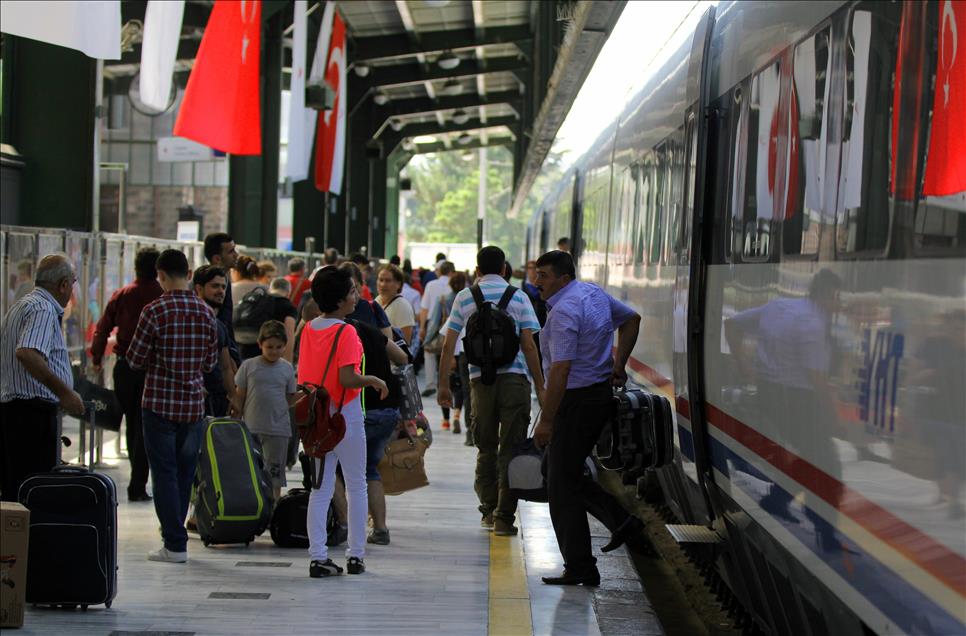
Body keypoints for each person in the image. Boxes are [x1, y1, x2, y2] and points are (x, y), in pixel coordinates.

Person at [532, 250, 642, 586]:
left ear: (563, 279)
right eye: (537, 274)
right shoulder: (591, 292)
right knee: (555, 471)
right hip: (595, 395)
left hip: (576, 402)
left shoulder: (564, 311)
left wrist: (547, 420)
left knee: (560, 485)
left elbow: (561, 370)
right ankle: (621, 521)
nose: (537, 282)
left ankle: (581, 566)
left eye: (545, 276)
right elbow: (632, 319)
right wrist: (618, 364)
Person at [438, 247, 544, 536]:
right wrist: (541, 385)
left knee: (485, 447)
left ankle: (486, 510)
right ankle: (503, 518)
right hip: (515, 380)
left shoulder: (464, 297)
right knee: (511, 448)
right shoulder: (519, 297)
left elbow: (448, 345)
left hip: (479, 381)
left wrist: (443, 386)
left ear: (477, 270)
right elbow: (529, 345)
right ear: (506, 268)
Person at [127, 249, 219, 564]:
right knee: (183, 472)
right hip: (193, 405)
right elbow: (209, 363)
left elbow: (135, 359)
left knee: (163, 473)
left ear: (161, 275)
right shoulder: (207, 312)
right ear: (189, 272)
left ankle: (174, 543)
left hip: (159, 403)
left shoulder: (153, 311)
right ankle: (175, 537)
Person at [298, 267, 388, 578]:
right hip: (345, 416)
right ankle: (356, 555)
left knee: (320, 488)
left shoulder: (309, 328)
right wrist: (373, 379)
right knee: (356, 485)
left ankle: (318, 556)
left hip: (317, 416)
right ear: (339, 300)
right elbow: (347, 378)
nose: (357, 296)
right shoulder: (346, 331)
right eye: (352, 292)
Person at [0, 255, 85, 501]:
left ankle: (16, 538)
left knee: (16, 489)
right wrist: (65, 393)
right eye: (73, 282)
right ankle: (29, 539)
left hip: (17, 412)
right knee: (33, 491)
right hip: (31, 415)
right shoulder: (42, 309)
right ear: (62, 285)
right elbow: (27, 353)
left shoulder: (23, 304)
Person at [90, 247, 163, 502]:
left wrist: (97, 359)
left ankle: (137, 480)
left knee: (133, 423)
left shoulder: (123, 294)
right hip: (154, 369)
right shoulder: (162, 296)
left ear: (135, 267)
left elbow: (102, 329)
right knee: (148, 425)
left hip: (125, 368)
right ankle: (140, 483)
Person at [346, 314, 408, 545]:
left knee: (338, 470)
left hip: (361, 410)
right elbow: (402, 357)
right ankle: (380, 529)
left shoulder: (339, 334)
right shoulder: (372, 331)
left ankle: (343, 527)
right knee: (370, 468)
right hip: (387, 410)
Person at [233, 320, 297, 502]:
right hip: (251, 428)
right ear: (260, 344)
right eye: (269, 347)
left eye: (279, 347)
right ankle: (252, 506)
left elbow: (290, 397)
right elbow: (240, 395)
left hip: (278, 430)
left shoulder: (286, 368)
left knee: (275, 474)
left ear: (284, 346)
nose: (274, 351)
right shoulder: (249, 366)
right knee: (250, 470)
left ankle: (273, 508)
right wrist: (236, 419)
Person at [192, 265, 237, 418]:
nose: (221, 291)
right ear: (199, 288)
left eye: (223, 287)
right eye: (215, 286)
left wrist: (233, 396)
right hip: (197, 398)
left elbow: (226, 367)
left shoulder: (220, 325)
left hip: (218, 400)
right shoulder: (190, 321)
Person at [203, 233, 241, 366]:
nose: (236, 255)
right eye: (231, 251)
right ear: (217, 258)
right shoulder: (207, 283)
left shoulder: (226, 281)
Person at [419, 261, 455, 397]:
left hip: (432, 323)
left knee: (429, 351)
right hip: (452, 324)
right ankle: (447, 382)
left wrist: (422, 327)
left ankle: (430, 384)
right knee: (449, 352)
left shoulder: (431, 285)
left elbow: (424, 308)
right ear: (452, 271)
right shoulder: (455, 284)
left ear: (439, 271)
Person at [375, 264, 416, 344]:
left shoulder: (403, 306)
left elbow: (405, 342)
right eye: (381, 280)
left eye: (388, 280)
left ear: (398, 284)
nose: (383, 284)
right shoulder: (377, 300)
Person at [267, 277, 299, 363]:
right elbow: (289, 335)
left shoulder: (261, 302)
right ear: (288, 292)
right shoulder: (288, 307)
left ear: (270, 289)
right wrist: (288, 363)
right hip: (274, 354)